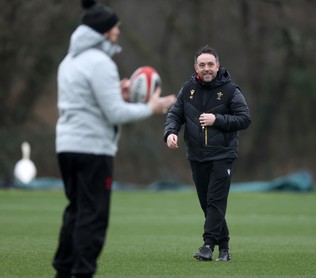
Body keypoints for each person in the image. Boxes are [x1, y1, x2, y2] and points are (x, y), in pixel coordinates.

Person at [52, 1, 175, 277]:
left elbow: (88, 102)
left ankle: (63, 271)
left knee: (76, 210)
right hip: (93, 148)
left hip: (67, 146)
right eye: (115, 26)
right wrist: (152, 108)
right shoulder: (100, 62)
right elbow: (115, 113)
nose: (119, 31)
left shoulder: (69, 61)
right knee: (93, 216)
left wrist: (115, 92)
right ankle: (82, 272)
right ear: (104, 31)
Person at [164, 45, 251, 262]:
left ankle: (207, 245)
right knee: (207, 204)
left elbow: (244, 118)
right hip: (197, 156)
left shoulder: (231, 90)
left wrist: (217, 120)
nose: (206, 69)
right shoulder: (188, 89)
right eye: (202, 65)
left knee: (215, 202)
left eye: (210, 64)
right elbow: (175, 115)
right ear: (196, 67)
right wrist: (170, 133)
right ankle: (224, 247)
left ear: (218, 66)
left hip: (223, 155)